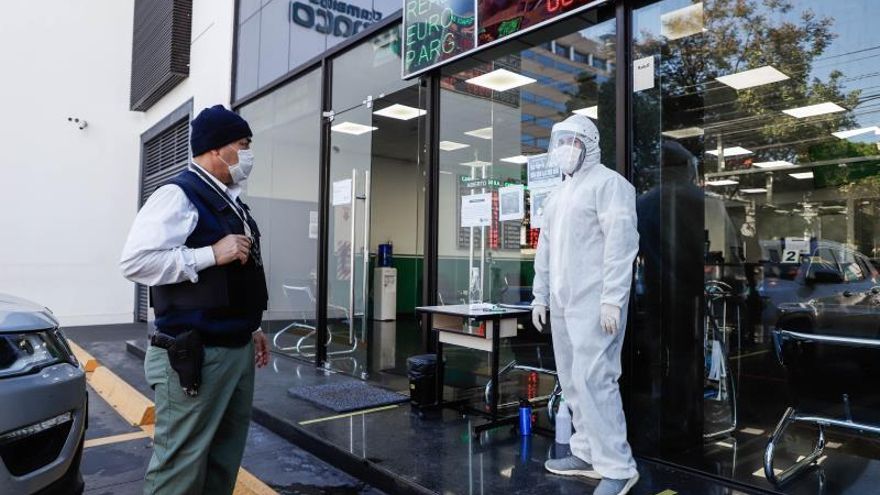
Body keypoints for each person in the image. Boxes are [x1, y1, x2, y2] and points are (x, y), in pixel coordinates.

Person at [120, 105, 270, 495]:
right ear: (215, 149)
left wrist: (252, 327)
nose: (248, 153)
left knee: (223, 458)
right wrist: (210, 254)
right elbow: (136, 261)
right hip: (196, 353)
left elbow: (238, 275)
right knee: (181, 467)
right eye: (243, 144)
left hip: (235, 348)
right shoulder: (178, 195)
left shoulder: (232, 201)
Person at [531, 114, 640, 495]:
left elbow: (621, 246)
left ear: (590, 144)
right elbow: (544, 250)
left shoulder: (611, 185)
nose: (564, 149)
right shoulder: (557, 194)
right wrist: (539, 294)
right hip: (562, 303)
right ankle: (586, 453)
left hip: (596, 304)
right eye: (559, 141)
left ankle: (619, 467)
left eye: (573, 141)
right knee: (573, 382)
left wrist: (612, 299)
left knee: (597, 381)